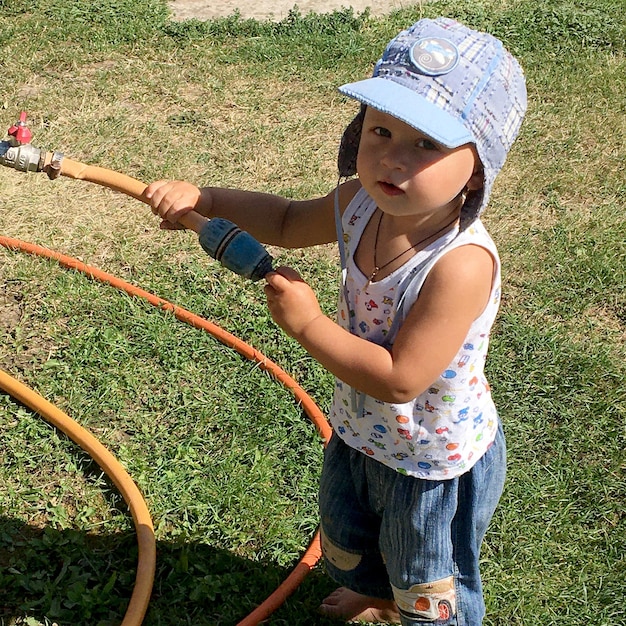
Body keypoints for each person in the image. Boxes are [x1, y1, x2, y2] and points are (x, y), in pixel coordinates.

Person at [146, 17, 527, 625]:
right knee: (348, 534)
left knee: (427, 577)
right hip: (360, 429)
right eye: (381, 130)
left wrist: (307, 325)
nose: (392, 158)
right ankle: (374, 592)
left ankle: (415, 608)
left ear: (478, 166)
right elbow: (292, 219)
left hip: (430, 460)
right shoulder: (358, 203)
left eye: (426, 144)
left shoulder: (460, 266)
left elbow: (403, 379)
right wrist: (210, 201)